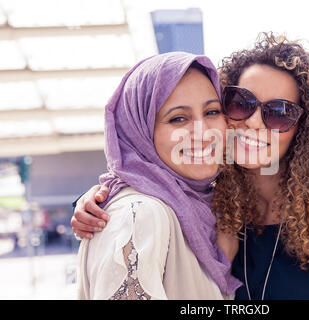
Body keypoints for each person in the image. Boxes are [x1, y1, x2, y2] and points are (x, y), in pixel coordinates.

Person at [72, 33, 309, 299]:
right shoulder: (205, 212)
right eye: (242, 103)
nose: (255, 122)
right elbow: (147, 188)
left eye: (279, 112)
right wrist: (99, 199)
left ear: (307, 129)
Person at [76, 51, 241, 300]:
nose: (204, 133)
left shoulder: (207, 206)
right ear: (140, 131)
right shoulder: (139, 215)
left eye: (212, 112)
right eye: (178, 119)